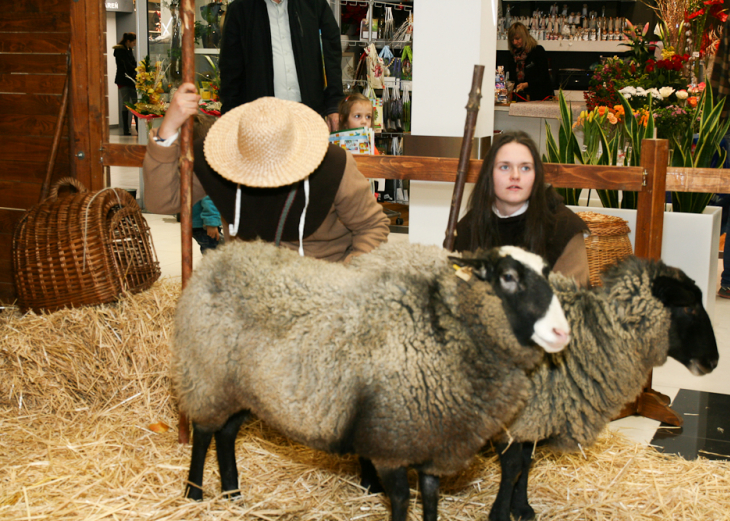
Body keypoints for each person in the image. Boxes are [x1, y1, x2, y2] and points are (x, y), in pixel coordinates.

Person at [142, 83, 389, 263]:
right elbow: (163, 201)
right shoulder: (215, 163)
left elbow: (372, 227)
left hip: (319, 286)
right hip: (249, 286)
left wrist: (346, 279)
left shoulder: (335, 166)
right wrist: (167, 130)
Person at [448, 131, 590, 286]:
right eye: (504, 167)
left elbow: (572, 302)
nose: (515, 176)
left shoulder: (564, 229)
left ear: (536, 175)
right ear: (489, 175)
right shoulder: (468, 227)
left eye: (525, 168)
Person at [218, 0, 344, 131]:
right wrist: (230, 116)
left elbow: (332, 53)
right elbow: (230, 68)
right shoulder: (240, 9)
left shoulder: (314, 4)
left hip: (308, 115)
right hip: (260, 121)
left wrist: (334, 104)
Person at [505, 22, 554, 102]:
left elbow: (544, 77)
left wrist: (527, 84)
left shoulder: (538, 51)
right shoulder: (512, 56)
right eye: (512, 40)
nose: (514, 42)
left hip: (541, 98)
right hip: (521, 99)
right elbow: (512, 79)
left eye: (517, 39)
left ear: (524, 36)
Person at [112, 32, 138, 136]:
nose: (135, 44)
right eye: (134, 42)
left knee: (133, 103)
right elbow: (128, 66)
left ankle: (133, 128)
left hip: (130, 79)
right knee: (127, 103)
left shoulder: (128, 50)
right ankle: (126, 129)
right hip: (124, 80)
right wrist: (135, 70)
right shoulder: (121, 51)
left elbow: (132, 63)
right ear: (128, 41)